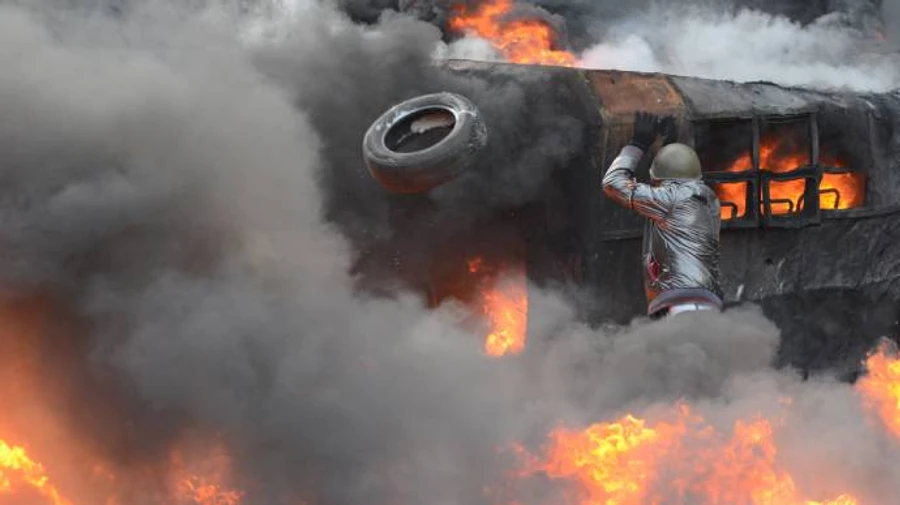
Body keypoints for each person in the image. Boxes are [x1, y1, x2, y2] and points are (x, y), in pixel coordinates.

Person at [601, 111, 724, 318]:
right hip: (706, 299)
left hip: (683, 303)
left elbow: (612, 183)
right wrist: (668, 145)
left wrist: (637, 144)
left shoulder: (671, 199)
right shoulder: (707, 197)